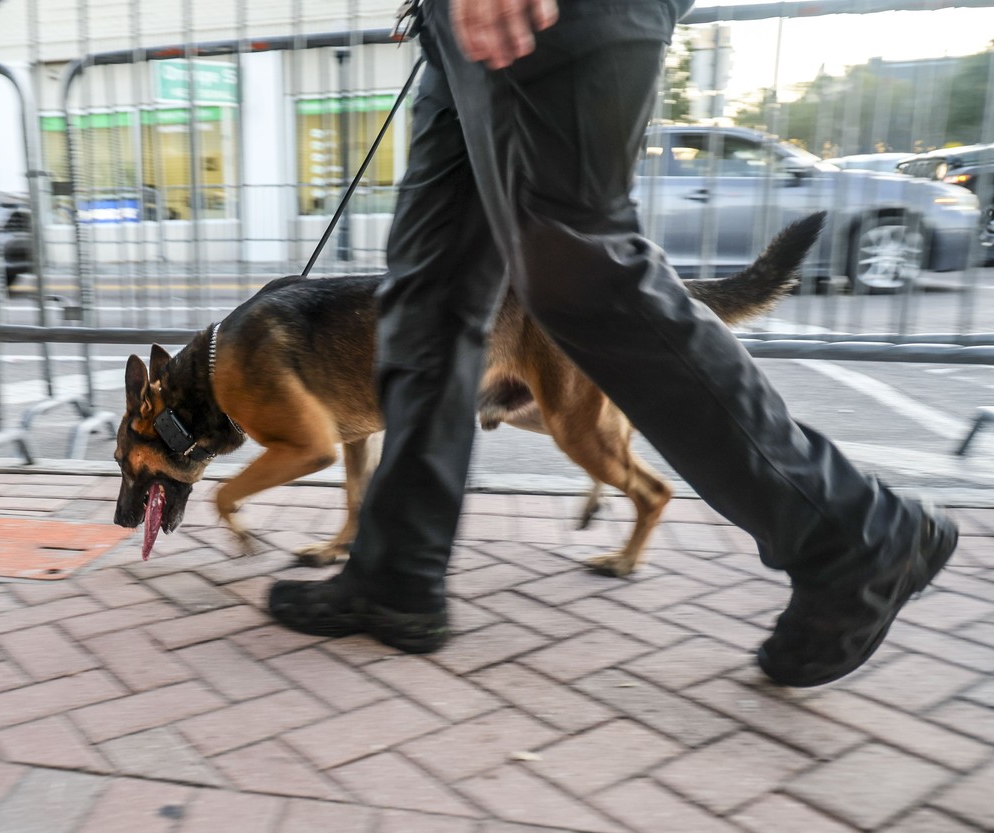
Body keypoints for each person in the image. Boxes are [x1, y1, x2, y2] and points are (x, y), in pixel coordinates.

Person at [266, 0, 958, 688]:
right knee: (426, 300)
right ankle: (396, 574)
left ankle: (851, 535)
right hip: (452, 32)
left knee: (580, 271)